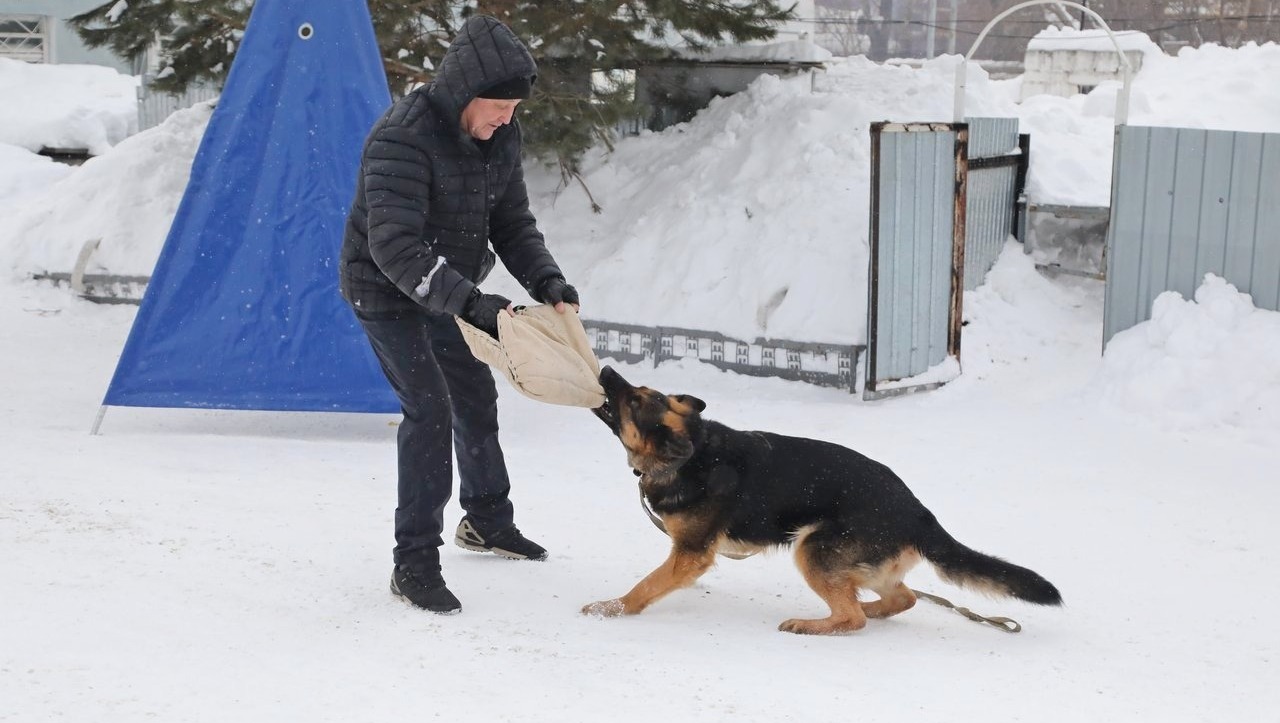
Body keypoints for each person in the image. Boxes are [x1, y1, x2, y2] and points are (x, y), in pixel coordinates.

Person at [339, 15, 580, 615]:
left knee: (474, 394)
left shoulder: (500, 136)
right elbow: (394, 246)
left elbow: (512, 221)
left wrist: (549, 282)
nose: (507, 117)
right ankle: (413, 563)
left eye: (514, 107)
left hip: (447, 288)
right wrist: (473, 303)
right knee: (430, 408)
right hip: (387, 291)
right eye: (498, 104)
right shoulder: (403, 136)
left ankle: (486, 522)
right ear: (463, 92)